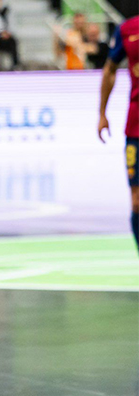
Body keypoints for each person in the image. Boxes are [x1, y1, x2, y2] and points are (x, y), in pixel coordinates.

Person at [98, 16, 139, 252]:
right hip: (136, 127)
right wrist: (102, 112)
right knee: (137, 200)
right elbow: (109, 70)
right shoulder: (127, 29)